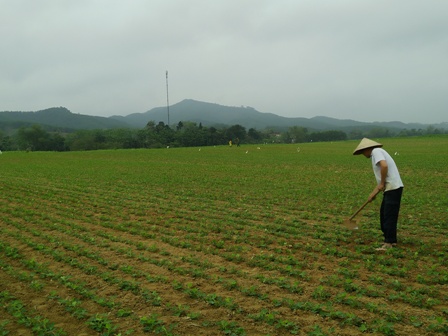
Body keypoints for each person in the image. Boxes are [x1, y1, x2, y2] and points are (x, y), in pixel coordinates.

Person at [353, 138, 404, 251]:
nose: (363, 154)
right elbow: (383, 178)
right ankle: (390, 239)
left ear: (367, 149)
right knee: (384, 215)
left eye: (362, 152)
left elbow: (384, 166)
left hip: (393, 188)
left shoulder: (376, 151)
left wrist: (381, 183)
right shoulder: (376, 153)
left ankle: (389, 243)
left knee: (388, 216)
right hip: (392, 188)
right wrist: (374, 193)